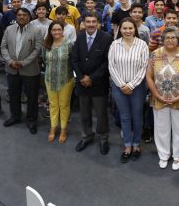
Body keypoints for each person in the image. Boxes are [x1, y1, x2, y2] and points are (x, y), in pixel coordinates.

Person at [146, 27, 179, 171]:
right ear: (162, 40)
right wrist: (157, 95)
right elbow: (149, 77)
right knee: (161, 128)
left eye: (173, 38)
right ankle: (164, 155)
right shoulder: (154, 54)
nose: (170, 40)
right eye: (167, 38)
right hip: (159, 99)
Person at [108, 18, 150, 163]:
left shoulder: (142, 45)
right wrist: (121, 85)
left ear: (135, 29)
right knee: (125, 117)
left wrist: (131, 85)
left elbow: (144, 67)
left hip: (137, 88)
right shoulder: (114, 44)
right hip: (119, 88)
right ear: (120, 29)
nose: (127, 31)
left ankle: (136, 144)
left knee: (137, 116)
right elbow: (111, 66)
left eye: (130, 28)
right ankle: (127, 146)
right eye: (124, 28)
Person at [71, 13, 113, 155]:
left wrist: (92, 78)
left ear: (98, 23)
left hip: (99, 83)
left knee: (101, 114)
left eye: (93, 21)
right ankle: (87, 136)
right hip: (82, 83)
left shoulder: (106, 37)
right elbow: (74, 59)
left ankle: (103, 138)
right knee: (84, 113)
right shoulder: (80, 36)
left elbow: (107, 62)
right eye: (87, 21)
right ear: (83, 23)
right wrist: (82, 77)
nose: (90, 24)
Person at [0, 8, 42, 133]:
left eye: (24, 15)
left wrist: (23, 63)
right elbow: (3, 47)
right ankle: (15, 116)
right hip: (12, 69)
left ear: (29, 17)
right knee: (13, 95)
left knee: (32, 97)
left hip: (30, 70)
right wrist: (10, 62)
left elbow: (37, 50)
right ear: (16, 17)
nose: (21, 17)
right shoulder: (9, 29)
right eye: (19, 15)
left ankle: (31, 120)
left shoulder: (36, 30)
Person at [41, 21, 75, 143]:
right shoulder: (46, 44)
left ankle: (64, 128)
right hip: (50, 79)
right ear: (50, 31)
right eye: (54, 30)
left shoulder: (69, 44)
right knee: (53, 104)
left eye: (59, 29)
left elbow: (73, 61)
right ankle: (53, 127)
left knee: (64, 105)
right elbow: (44, 59)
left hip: (66, 79)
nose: (56, 32)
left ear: (62, 31)